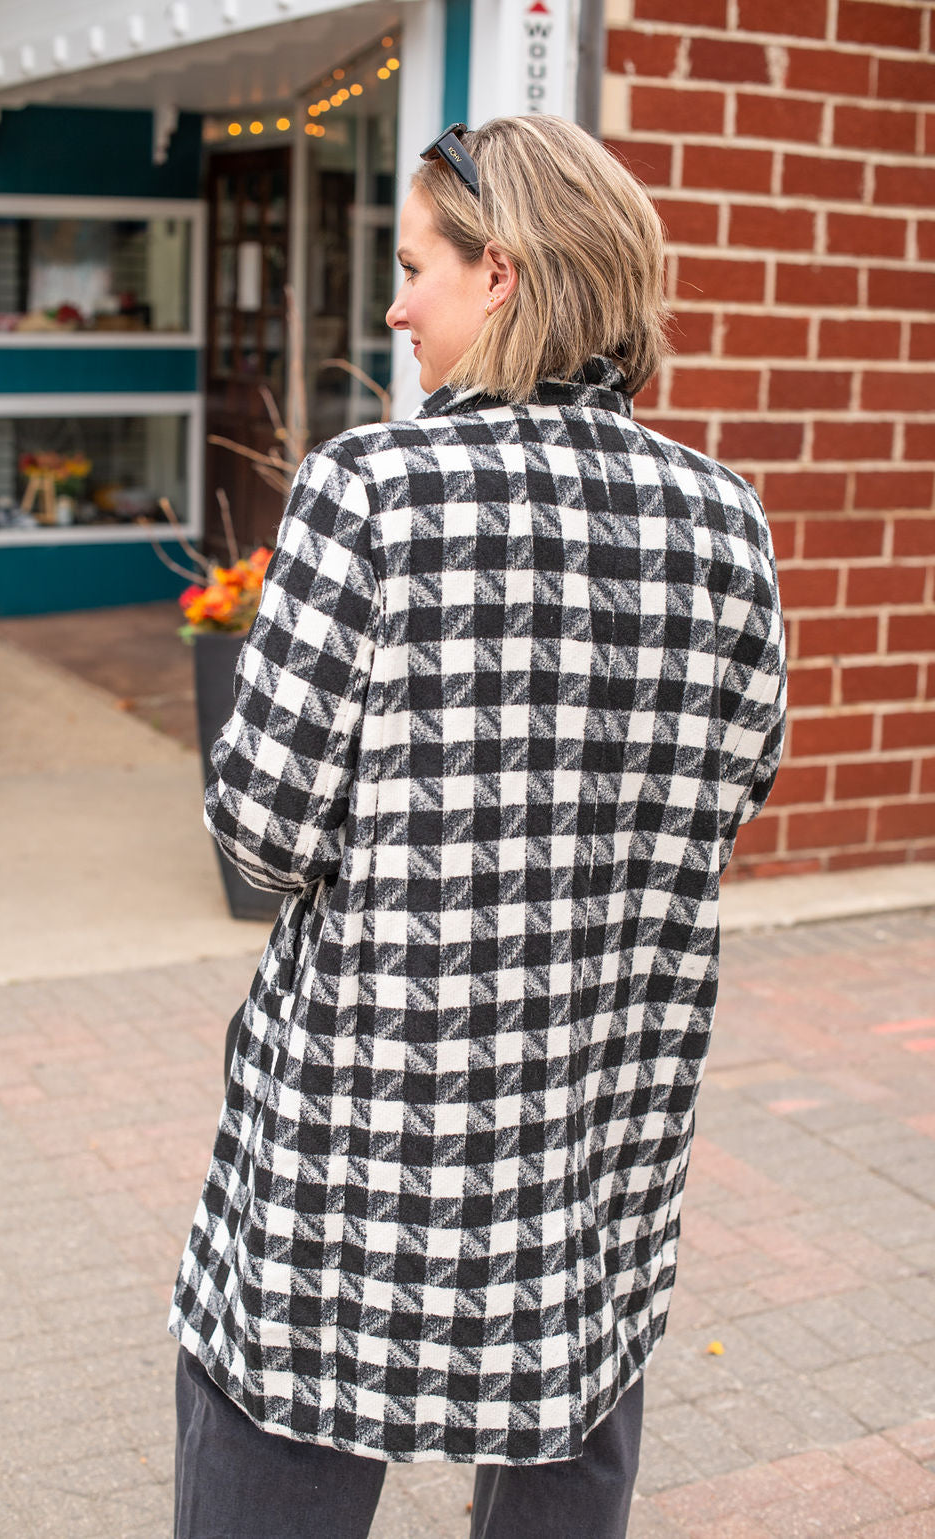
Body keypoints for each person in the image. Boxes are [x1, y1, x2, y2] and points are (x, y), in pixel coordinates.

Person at [170, 115, 786, 1539]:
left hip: (366, 1125)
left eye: (414, 269)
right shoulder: (725, 519)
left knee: (283, 1415)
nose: (396, 309)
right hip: (593, 1116)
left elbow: (258, 832)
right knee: (571, 1406)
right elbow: (734, 787)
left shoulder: (369, 491)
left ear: (499, 274)